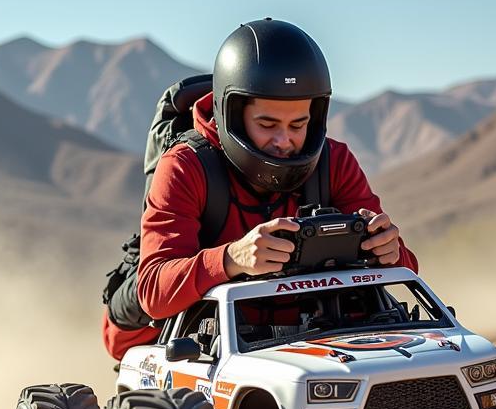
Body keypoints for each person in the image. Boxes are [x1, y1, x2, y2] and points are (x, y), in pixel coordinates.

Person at [102, 18, 417, 360]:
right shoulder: (185, 166)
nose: (285, 141)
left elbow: (408, 267)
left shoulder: (335, 161)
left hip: (311, 341)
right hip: (203, 344)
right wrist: (231, 258)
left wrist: (389, 251)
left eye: (299, 124)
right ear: (232, 115)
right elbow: (153, 290)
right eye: (267, 124)